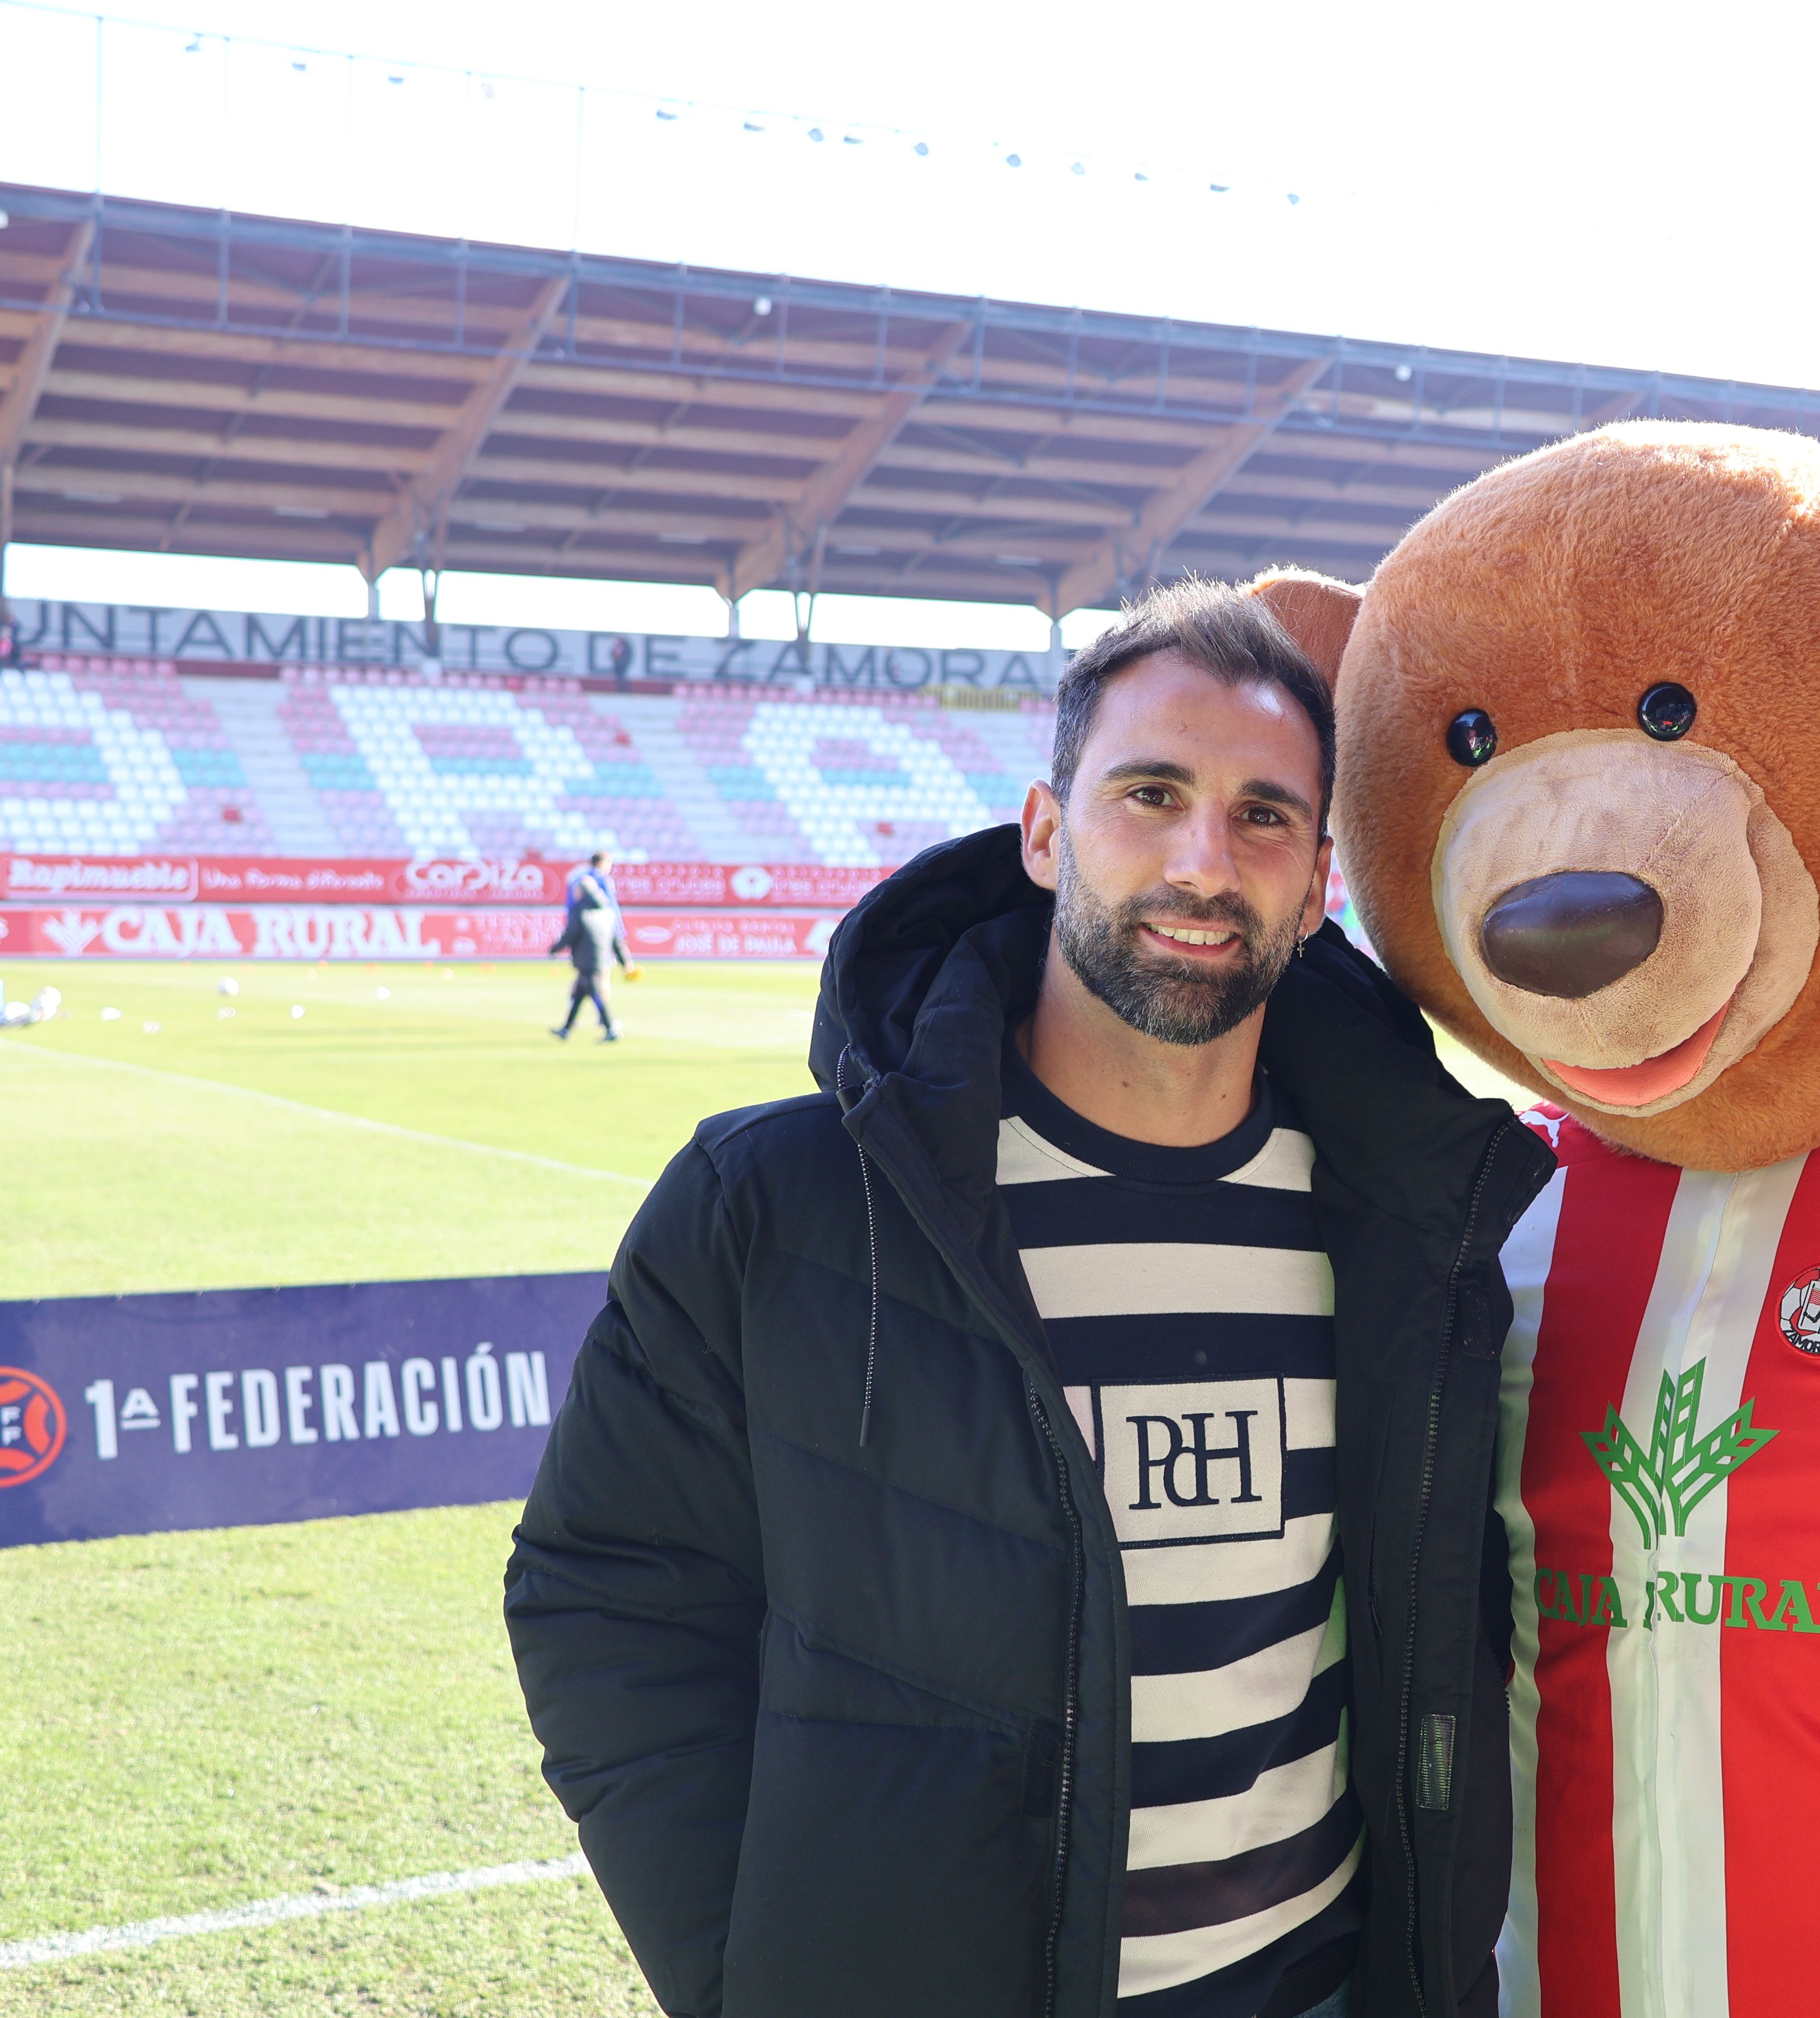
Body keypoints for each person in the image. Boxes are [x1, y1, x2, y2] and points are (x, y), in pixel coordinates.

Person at [505, 581, 1550, 2018]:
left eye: (1263, 816)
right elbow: (609, 1603)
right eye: (1150, 792)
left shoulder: (1404, 1220)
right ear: (1048, 833)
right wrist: (762, 1981)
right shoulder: (781, 1201)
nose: (1204, 858)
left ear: (1317, 882)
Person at [549, 854, 629, 1043]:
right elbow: (616, 941)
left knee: (594, 993)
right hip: (600, 959)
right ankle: (566, 1029)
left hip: (587, 960)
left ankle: (611, 1028)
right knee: (579, 994)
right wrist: (626, 962)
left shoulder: (580, 912)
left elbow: (570, 935)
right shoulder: (607, 912)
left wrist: (555, 949)